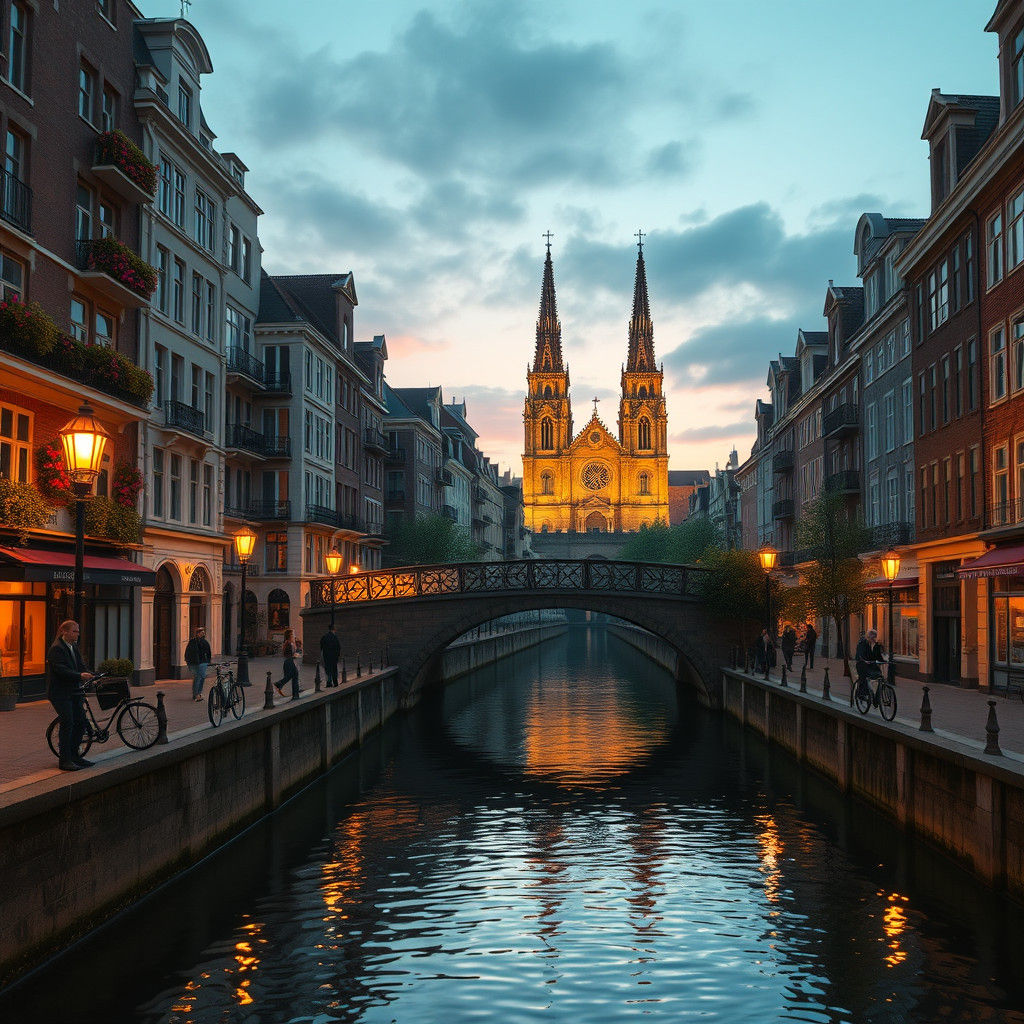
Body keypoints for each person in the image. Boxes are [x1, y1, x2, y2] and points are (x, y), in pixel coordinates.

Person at [46, 620, 95, 771]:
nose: (78, 634)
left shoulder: (73, 646)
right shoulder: (57, 649)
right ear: (64, 632)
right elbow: (61, 670)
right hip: (61, 693)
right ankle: (65, 760)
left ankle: (75, 756)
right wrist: (80, 675)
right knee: (68, 723)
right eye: (75, 631)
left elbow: (80, 665)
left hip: (74, 691)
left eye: (78, 631)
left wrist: (91, 674)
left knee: (81, 722)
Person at [854, 628, 885, 703]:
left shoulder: (874, 644)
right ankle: (861, 694)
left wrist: (883, 661)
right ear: (869, 636)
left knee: (880, 676)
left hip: (871, 664)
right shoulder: (862, 643)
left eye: (875, 637)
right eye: (873, 637)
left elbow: (877, 655)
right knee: (863, 678)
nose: (874, 638)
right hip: (862, 664)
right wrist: (864, 660)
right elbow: (860, 654)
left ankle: (877, 697)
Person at [274, 628, 303, 700]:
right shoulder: (288, 643)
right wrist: (296, 655)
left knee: (292, 677)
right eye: (293, 633)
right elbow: (288, 654)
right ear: (290, 635)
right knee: (294, 676)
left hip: (290, 661)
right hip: (289, 662)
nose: (294, 635)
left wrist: (297, 654)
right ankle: (295, 694)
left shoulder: (290, 643)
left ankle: (295, 694)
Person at [184, 626, 211, 702]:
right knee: (198, 678)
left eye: (203, 633)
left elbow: (208, 652)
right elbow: (188, 652)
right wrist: (188, 660)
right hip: (195, 663)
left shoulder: (204, 642)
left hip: (203, 662)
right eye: (202, 632)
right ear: (198, 633)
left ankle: (198, 693)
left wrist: (208, 661)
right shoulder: (193, 642)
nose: (203, 634)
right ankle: (196, 694)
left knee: (201, 677)